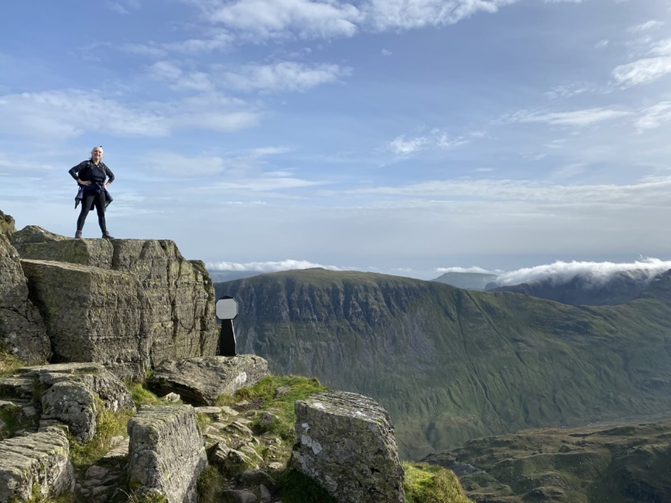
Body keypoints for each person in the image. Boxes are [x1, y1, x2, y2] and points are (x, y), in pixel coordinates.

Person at [69, 146, 115, 239]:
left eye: (99, 152)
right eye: (95, 151)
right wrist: (80, 181)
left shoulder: (103, 166)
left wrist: (106, 185)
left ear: (102, 155)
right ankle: (78, 233)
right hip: (89, 190)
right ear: (92, 153)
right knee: (84, 211)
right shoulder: (86, 164)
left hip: (100, 191)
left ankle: (105, 233)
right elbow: (72, 171)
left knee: (101, 213)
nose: (97, 153)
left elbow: (112, 176)